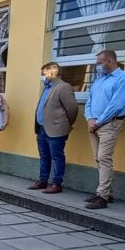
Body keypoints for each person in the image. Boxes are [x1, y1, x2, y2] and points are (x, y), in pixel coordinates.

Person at [83, 49, 125, 210]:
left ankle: (102, 196)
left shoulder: (123, 79)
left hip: (109, 124)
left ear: (110, 61)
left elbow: (116, 105)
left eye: (99, 63)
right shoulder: (99, 80)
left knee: (104, 157)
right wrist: (90, 118)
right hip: (94, 124)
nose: (97, 66)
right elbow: (89, 100)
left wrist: (98, 122)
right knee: (98, 158)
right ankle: (106, 191)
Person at [29, 62, 79, 194]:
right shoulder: (46, 87)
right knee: (44, 155)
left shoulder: (63, 87)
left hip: (56, 129)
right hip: (41, 127)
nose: (42, 76)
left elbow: (72, 108)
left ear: (51, 73)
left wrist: (66, 123)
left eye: (43, 74)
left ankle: (57, 183)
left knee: (57, 156)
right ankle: (43, 180)